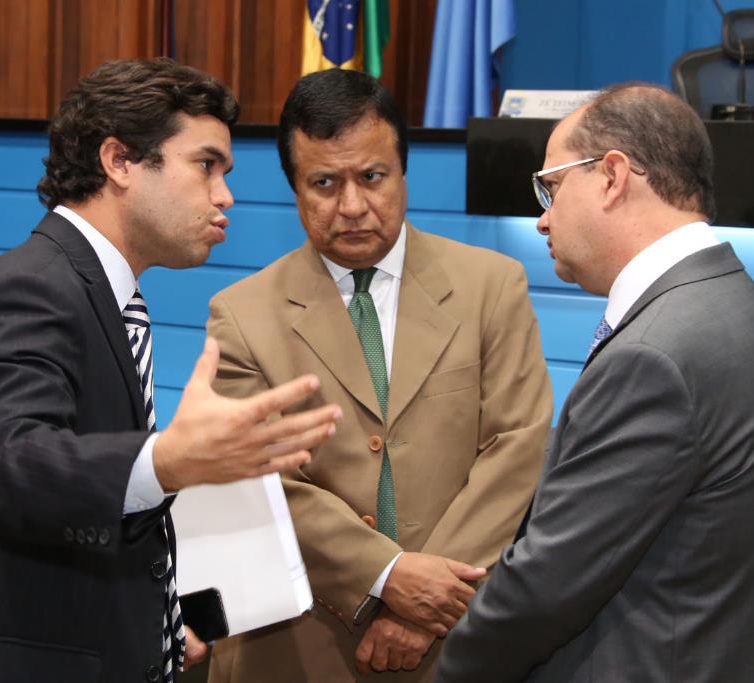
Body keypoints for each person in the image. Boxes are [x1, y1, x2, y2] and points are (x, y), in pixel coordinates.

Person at [0, 58, 341, 683]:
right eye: (205, 165)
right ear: (119, 161)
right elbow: (6, 462)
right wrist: (168, 461)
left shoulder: (98, 293)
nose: (225, 196)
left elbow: (83, 516)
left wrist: (158, 622)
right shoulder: (28, 288)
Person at [434, 84, 754, 682]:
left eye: (551, 187)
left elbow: (546, 586)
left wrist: (452, 672)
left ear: (612, 177)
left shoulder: (654, 356)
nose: (542, 218)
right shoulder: (740, 311)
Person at [205, 68, 552, 682]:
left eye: (372, 177)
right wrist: (386, 576)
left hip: (457, 634)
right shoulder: (241, 315)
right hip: (300, 643)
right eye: (324, 183)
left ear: (402, 173)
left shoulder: (491, 287)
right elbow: (256, 479)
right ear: (294, 189)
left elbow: (516, 447)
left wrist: (427, 602)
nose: (352, 207)